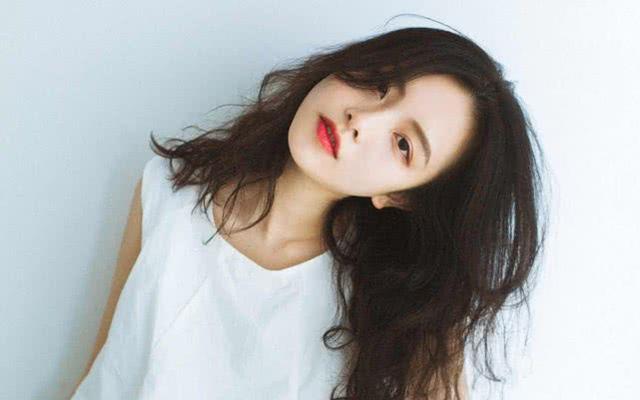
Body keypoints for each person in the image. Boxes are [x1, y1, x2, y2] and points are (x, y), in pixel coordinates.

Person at [70, 24, 548, 400]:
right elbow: (105, 370)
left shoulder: (400, 312)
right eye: (380, 83)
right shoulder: (167, 190)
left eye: (403, 144)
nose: (362, 120)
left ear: (402, 197)